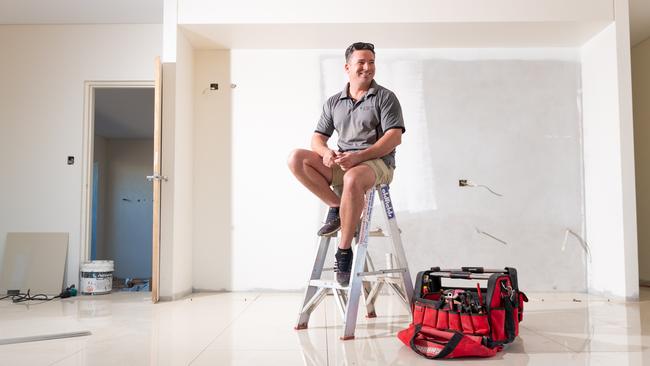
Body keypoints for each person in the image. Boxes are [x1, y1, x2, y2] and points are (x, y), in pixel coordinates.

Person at [287, 42, 405, 285]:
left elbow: (394, 138)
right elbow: (317, 138)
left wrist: (359, 157)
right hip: (343, 162)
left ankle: (343, 252)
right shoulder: (334, 102)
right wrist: (325, 152)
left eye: (371, 62)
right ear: (347, 67)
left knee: (352, 177)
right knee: (296, 158)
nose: (367, 67)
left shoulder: (385, 97)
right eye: (361, 62)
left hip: (377, 164)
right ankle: (337, 207)